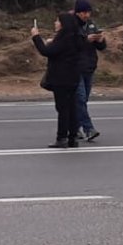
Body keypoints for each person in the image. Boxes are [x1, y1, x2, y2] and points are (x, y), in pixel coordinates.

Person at [32, 13, 82, 148]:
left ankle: (61, 137)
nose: (55, 23)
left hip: (61, 79)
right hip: (73, 78)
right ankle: (73, 137)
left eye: (58, 21)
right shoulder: (74, 37)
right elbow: (57, 49)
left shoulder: (64, 38)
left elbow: (46, 51)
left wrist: (36, 37)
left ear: (63, 24)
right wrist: (52, 42)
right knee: (72, 108)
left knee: (62, 109)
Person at [73, 0, 106, 142]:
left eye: (88, 12)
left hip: (89, 66)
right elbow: (70, 44)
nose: (86, 15)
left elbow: (102, 47)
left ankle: (74, 128)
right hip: (75, 67)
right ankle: (88, 129)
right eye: (83, 12)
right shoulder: (72, 25)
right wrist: (86, 40)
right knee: (79, 99)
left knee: (82, 100)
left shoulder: (92, 25)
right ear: (78, 12)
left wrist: (100, 41)